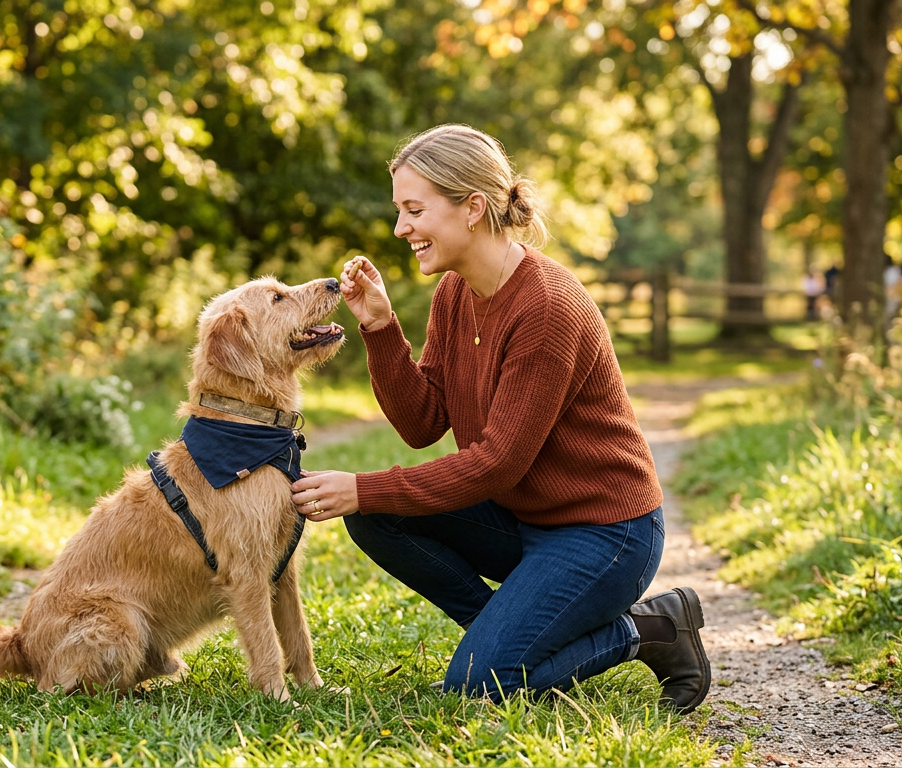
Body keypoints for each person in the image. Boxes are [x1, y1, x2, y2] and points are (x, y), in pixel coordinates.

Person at [290, 124, 710, 712]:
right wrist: (381, 329)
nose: (400, 228)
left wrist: (360, 486)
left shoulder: (546, 308)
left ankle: (649, 628)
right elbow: (423, 424)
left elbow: (496, 463)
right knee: (377, 516)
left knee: (478, 686)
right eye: (399, 211)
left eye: (414, 209)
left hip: (604, 532)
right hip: (523, 519)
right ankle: (511, 637)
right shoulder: (456, 292)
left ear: (472, 208)